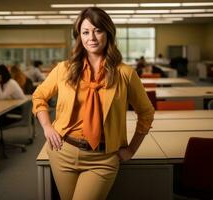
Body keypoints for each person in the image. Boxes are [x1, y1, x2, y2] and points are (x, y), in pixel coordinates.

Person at [32, 7, 154, 200]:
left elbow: (146, 113)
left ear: (108, 33)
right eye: (86, 32)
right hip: (63, 151)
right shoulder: (64, 69)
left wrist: (131, 149)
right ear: (79, 36)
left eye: (98, 30)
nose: (92, 38)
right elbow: (39, 96)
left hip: (103, 157)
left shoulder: (125, 74)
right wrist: (47, 127)